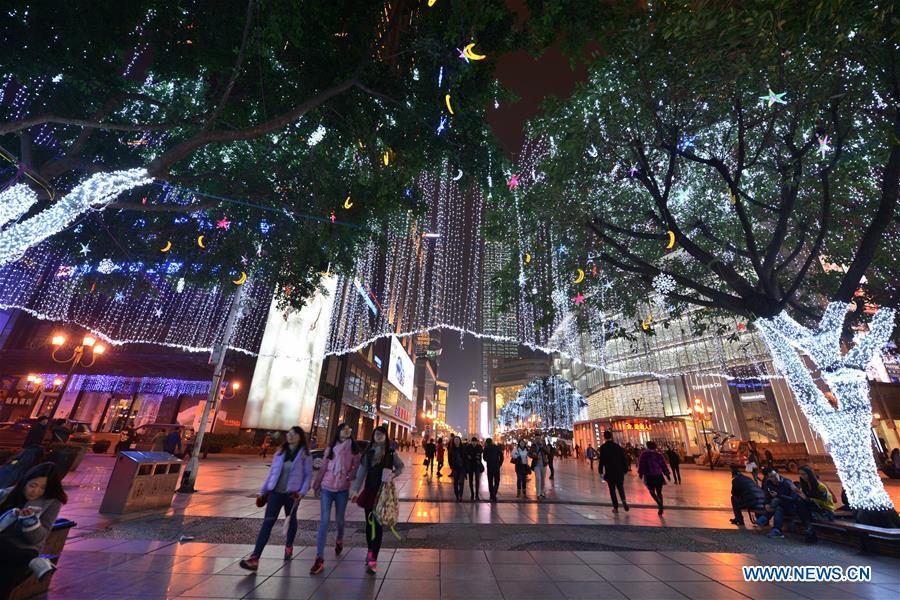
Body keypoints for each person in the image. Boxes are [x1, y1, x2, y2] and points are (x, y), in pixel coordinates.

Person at [240, 426, 312, 570]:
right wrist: (263, 491)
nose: (290, 436)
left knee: (290, 520)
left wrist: (302, 492)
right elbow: (272, 474)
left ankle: (289, 545)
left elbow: (307, 476)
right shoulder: (279, 453)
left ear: (300, 437)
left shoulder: (305, 455)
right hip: (275, 493)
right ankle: (255, 558)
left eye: (294, 434)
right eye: (289, 434)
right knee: (267, 523)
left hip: (293, 494)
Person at [0, 463, 67, 600]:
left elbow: (39, 538)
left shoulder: (52, 502)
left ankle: (31, 559)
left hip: (21, 551)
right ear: (25, 481)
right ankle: (34, 561)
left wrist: (30, 522)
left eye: (43, 488)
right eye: (33, 485)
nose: (35, 491)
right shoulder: (7, 495)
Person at [350, 425, 403, 575]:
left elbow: (401, 467)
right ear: (373, 435)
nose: (379, 436)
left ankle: (373, 558)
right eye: (377, 434)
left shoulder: (391, 453)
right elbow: (361, 473)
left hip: (383, 494)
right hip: (369, 491)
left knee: (378, 526)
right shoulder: (369, 452)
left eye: (382, 434)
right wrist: (355, 490)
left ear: (386, 436)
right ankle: (369, 550)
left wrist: (393, 474)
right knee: (369, 524)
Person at [310, 423, 361, 575]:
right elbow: (324, 467)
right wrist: (316, 484)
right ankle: (319, 558)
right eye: (344, 429)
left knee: (339, 520)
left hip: (342, 490)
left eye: (348, 429)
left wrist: (349, 476)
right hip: (327, 487)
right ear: (338, 431)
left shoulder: (353, 449)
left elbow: (357, 467)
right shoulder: (330, 448)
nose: (346, 431)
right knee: (324, 522)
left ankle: (339, 539)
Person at [758, 469, 814, 541]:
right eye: (772, 477)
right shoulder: (768, 484)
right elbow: (767, 495)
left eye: (775, 475)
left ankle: (766, 517)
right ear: (768, 478)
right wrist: (766, 504)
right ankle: (776, 530)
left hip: (792, 507)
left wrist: (779, 495)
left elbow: (794, 499)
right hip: (780, 507)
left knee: (777, 500)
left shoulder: (787, 483)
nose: (775, 477)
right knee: (778, 507)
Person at [598, 431, 629, 512]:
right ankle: (624, 501)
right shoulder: (617, 446)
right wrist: (625, 469)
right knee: (620, 487)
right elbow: (623, 458)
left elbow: (602, 460)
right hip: (619, 471)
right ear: (611, 437)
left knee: (612, 490)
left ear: (604, 437)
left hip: (610, 471)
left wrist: (600, 470)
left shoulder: (603, 447)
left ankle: (615, 507)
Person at [638, 441, 670, 516]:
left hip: (649, 476)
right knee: (659, 492)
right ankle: (660, 506)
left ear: (647, 446)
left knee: (651, 491)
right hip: (658, 475)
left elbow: (641, 464)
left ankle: (659, 504)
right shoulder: (658, 455)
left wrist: (641, 473)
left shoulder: (644, 454)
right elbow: (663, 465)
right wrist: (667, 474)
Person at [482, 438, 503, 502]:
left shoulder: (486, 448)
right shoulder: (497, 447)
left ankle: (492, 494)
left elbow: (484, 457)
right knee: (497, 480)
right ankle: (494, 493)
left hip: (489, 466)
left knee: (490, 481)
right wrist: (499, 464)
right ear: (492, 442)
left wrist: (488, 460)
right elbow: (501, 456)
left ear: (486, 442)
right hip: (496, 466)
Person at [448, 436, 467, 502]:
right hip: (455, 468)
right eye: (455, 440)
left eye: (458, 440)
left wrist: (466, 467)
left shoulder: (463, 448)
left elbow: (465, 458)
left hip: (462, 468)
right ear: (453, 441)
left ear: (460, 441)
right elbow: (449, 459)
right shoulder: (451, 449)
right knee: (455, 483)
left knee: (461, 482)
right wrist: (451, 466)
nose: (456, 441)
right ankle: (457, 495)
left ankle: (460, 495)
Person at [465, 437, 484, 501]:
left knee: (477, 480)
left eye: (475, 441)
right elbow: (466, 454)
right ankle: (472, 494)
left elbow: (480, 452)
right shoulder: (468, 446)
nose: (474, 443)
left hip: (477, 466)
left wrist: (471, 455)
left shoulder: (479, 446)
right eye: (473, 441)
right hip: (470, 466)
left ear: (477, 442)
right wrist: (473, 455)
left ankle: (477, 495)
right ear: (471, 441)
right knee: (470, 480)